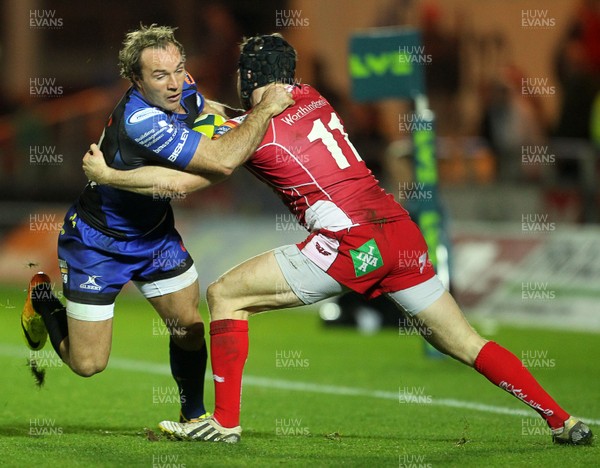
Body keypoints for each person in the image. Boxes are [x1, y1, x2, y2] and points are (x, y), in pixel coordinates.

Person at [82, 34, 593, 446]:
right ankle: (560, 419)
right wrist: (210, 105)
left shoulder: (253, 131)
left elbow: (184, 180)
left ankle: (225, 422)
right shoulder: (313, 98)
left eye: (242, 74)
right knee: (464, 341)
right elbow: (227, 112)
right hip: (399, 232)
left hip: (352, 243)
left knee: (224, 295)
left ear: (252, 79)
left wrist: (110, 176)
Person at [21, 25, 293, 425]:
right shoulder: (140, 121)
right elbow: (214, 164)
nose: (174, 83)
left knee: (189, 328)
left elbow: (204, 107)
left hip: (154, 237)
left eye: (179, 70)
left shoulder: (179, 87)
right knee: (88, 364)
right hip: (98, 242)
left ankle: (193, 416)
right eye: (160, 75)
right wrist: (262, 116)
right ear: (136, 80)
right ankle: (43, 302)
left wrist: (238, 117)